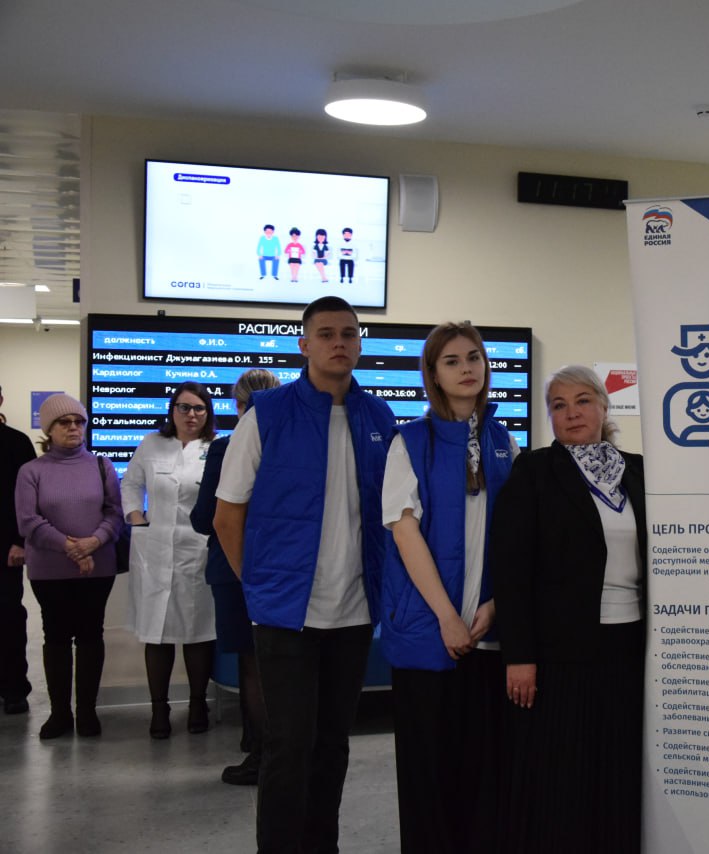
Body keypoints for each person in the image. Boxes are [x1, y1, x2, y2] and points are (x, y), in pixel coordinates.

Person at [213, 295, 394, 853]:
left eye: (349, 333)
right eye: (326, 334)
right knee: (288, 747)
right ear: (304, 344)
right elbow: (227, 516)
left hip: (354, 613)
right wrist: (258, 588)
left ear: (359, 342)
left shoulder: (379, 418)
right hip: (286, 614)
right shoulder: (267, 415)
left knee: (333, 745)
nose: (339, 343)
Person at [492, 365, 646, 854]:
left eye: (582, 401)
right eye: (559, 405)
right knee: (563, 772)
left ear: (604, 406)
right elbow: (511, 569)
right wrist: (519, 655)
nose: (572, 413)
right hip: (560, 651)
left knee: (619, 765)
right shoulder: (534, 471)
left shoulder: (639, 471)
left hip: (631, 644)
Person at [380, 322, 517, 853]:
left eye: (474, 358)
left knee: (484, 776)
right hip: (428, 630)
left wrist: (496, 604)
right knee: (429, 778)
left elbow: (515, 537)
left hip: (488, 632)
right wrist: (446, 617)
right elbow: (404, 531)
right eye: (453, 361)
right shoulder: (410, 442)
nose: (467, 369)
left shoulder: (504, 443)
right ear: (434, 374)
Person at [14, 393, 124, 738]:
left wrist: (93, 542)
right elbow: (28, 521)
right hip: (50, 570)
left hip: (98, 567)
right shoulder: (31, 471)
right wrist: (72, 547)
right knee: (57, 636)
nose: (73, 427)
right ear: (49, 429)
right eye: (64, 422)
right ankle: (60, 714)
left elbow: (115, 514)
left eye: (79, 421)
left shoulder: (101, 465)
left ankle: (87, 712)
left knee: (91, 635)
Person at [190, 368, 280, 786]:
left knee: (251, 663)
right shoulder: (288, 444)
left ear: (237, 404)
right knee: (280, 662)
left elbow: (204, 518)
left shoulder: (226, 447)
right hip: (283, 567)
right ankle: (271, 750)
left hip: (233, 568)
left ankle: (259, 754)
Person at [122, 381, 217, 739]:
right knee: (157, 633)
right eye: (184, 407)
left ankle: (198, 704)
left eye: (198, 408)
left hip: (199, 549)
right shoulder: (151, 444)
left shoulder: (216, 448)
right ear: (172, 410)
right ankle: (159, 709)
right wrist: (136, 517)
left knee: (198, 632)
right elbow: (130, 483)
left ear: (207, 413)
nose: (191, 414)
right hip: (156, 550)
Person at [0, 384, 37, 715]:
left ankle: (13, 689)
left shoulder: (16, 442)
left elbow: (28, 500)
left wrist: (20, 541)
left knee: (8, 618)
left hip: (6, 550)